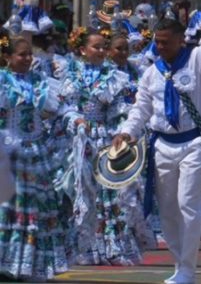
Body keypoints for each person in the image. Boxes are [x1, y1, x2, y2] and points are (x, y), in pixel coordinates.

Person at [113, 0, 201, 284]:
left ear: (180, 40)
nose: (159, 47)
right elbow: (141, 110)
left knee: (190, 204)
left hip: (194, 143)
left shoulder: (199, 59)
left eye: (165, 42)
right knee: (170, 210)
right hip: (162, 146)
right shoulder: (151, 72)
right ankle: (180, 265)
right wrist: (127, 132)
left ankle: (189, 268)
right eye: (157, 42)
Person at [59, 28, 152, 266]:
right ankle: (85, 248)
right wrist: (75, 120)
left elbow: (121, 110)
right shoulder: (69, 74)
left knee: (111, 194)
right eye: (96, 47)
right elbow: (64, 107)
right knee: (82, 193)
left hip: (105, 138)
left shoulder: (114, 76)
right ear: (82, 50)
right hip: (79, 141)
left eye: (103, 47)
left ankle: (113, 247)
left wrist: (120, 132)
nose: (101, 51)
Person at [0, 37, 70, 281]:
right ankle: (7, 262)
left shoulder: (41, 81)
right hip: (8, 154)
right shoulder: (1, 81)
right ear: (7, 57)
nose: (28, 59)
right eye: (21, 54)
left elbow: (62, 109)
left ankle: (27, 265)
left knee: (35, 208)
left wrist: (76, 121)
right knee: (9, 206)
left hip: (34, 154)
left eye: (29, 54)